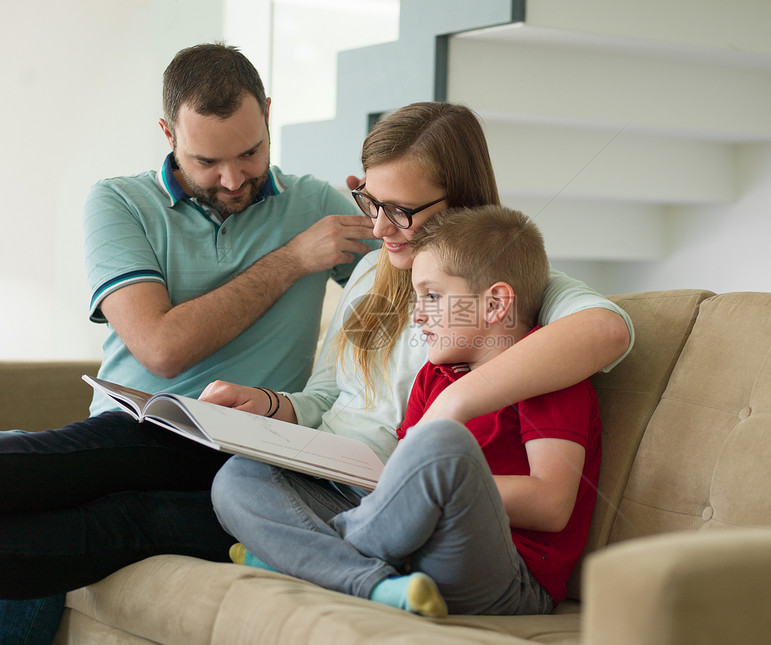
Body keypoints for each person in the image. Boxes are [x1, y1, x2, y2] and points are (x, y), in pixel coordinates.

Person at [0, 42, 375, 644]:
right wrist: (292, 260)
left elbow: (422, 273)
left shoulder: (317, 205)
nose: (234, 179)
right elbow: (161, 348)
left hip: (245, 451)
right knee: (45, 460)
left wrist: (393, 209)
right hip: (133, 433)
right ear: (167, 132)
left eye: (251, 152)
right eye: (208, 161)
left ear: (270, 115)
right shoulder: (119, 201)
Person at [204, 100, 632, 610]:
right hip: (380, 504)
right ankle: (371, 581)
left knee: (441, 449)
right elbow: (330, 396)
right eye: (370, 202)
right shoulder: (381, 294)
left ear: (458, 204)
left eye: (400, 211)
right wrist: (272, 408)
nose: (381, 229)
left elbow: (604, 330)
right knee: (236, 478)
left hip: (474, 547)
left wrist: (450, 414)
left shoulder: (524, 307)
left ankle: (313, 556)